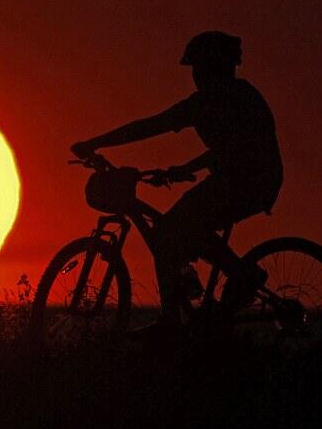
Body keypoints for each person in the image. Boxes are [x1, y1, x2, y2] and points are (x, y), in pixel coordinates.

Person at [71, 31, 282, 331]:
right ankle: (220, 287)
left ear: (215, 67)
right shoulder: (213, 99)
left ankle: (174, 319)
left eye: (199, 67)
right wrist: (99, 143)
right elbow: (152, 126)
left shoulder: (233, 97)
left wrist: (95, 143)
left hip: (250, 181)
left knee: (169, 231)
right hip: (236, 179)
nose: (196, 75)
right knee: (185, 228)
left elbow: (236, 148)